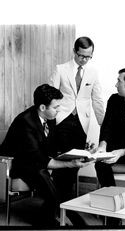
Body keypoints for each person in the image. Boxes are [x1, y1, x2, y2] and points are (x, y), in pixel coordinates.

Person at [0, 84, 92, 227]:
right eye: (56, 107)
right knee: (41, 172)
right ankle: (68, 217)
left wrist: (79, 152)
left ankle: (47, 215)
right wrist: (68, 163)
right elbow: (37, 159)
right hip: (16, 163)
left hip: (35, 159)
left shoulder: (49, 117)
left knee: (67, 171)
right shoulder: (25, 123)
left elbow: (52, 145)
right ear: (42, 107)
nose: (59, 110)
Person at [49, 36, 105, 206]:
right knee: (63, 161)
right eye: (81, 56)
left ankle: (65, 202)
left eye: (88, 56)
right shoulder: (60, 69)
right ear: (74, 51)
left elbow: (97, 99)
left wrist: (105, 125)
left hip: (82, 123)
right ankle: (57, 201)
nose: (84, 60)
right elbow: (50, 95)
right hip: (62, 120)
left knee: (76, 162)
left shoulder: (93, 72)